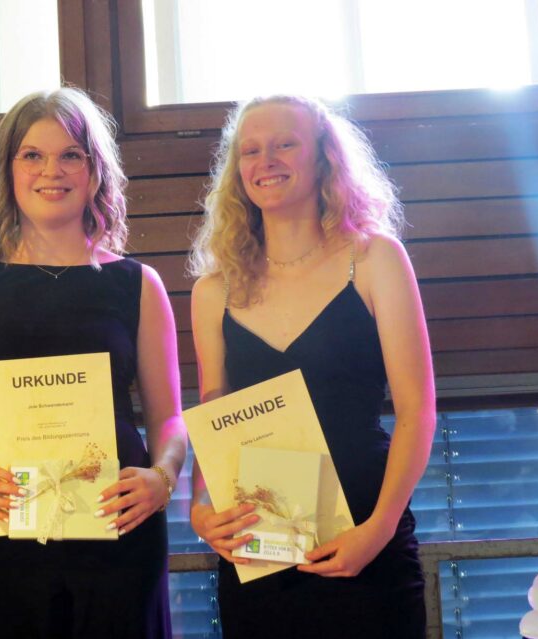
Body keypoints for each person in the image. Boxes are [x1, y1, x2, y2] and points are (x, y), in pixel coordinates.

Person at [0, 87, 187, 638]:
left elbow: (170, 419)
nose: (51, 171)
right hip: (5, 533)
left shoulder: (138, 284)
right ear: (8, 169)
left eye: (71, 155)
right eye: (32, 155)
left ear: (95, 171)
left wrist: (162, 478)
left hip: (118, 527)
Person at [187, 95, 435, 638]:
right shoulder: (212, 291)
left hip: (366, 542)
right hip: (260, 548)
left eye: (285, 144)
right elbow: (214, 417)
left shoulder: (374, 259)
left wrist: (378, 530)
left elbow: (418, 412)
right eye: (251, 150)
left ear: (325, 157)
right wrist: (200, 507)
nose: (266, 161)